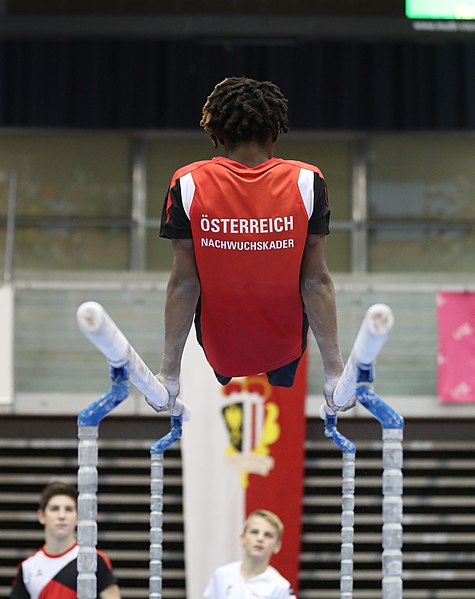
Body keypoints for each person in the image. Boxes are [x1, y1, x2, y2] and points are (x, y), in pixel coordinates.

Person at [155, 75, 353, 414]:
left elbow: (184, 283)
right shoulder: (306, 181)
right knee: (285, 358)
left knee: (222, 356)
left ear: (215, 134)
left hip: (220, 348)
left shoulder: (188, 183)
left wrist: (169, 374)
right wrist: (335, 372)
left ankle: (225, 365)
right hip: (286, 345)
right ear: (276, 133)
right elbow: (316, 281)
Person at [10, 481, 121, 599]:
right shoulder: (28, 567)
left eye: (68, 509)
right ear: (42, 516)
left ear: (78, 517)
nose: (61, 516)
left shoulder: (93, 559)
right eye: (55, 509)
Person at [203, 509, 296, 598]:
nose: (260, 538)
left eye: (268, 535)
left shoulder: (280, 587)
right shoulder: (221, 575)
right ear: (242, 539)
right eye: (254, 532)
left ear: (277, 546)